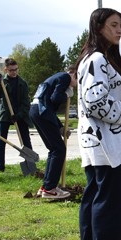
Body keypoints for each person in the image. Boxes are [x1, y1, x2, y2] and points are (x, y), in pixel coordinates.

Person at [72, 7, 121, 240]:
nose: (119, 30)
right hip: (105, 142)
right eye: (113, 25)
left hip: (96, 141)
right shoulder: (97, 59)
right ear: (99, 27)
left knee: (93, 198)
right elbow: (96, 103)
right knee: (108, 200)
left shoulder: (94, 58)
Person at [29, 69, 77, 200]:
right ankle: (50, 189)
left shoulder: (55, 78)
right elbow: (55, 99)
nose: (76, 85)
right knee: (59, 149)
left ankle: (46, 187)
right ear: (74, 73)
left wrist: (60, 127)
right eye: (77, 80)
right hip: (42, 111)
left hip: (36, 110)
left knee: (54, 149)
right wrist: (66, 94)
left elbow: (48, 104)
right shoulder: (65, 77)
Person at [0, 58, 33, 173]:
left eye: (15, 69)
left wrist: (19, 115)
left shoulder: (22, 83)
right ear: (6, 69)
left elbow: (26, 103)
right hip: (5, 114)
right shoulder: (3, 82)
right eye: (11, 70)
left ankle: (31, 166)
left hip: (20, 115)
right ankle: (0, 168)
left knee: (26, 142)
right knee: (1, 142)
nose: (14, 72)